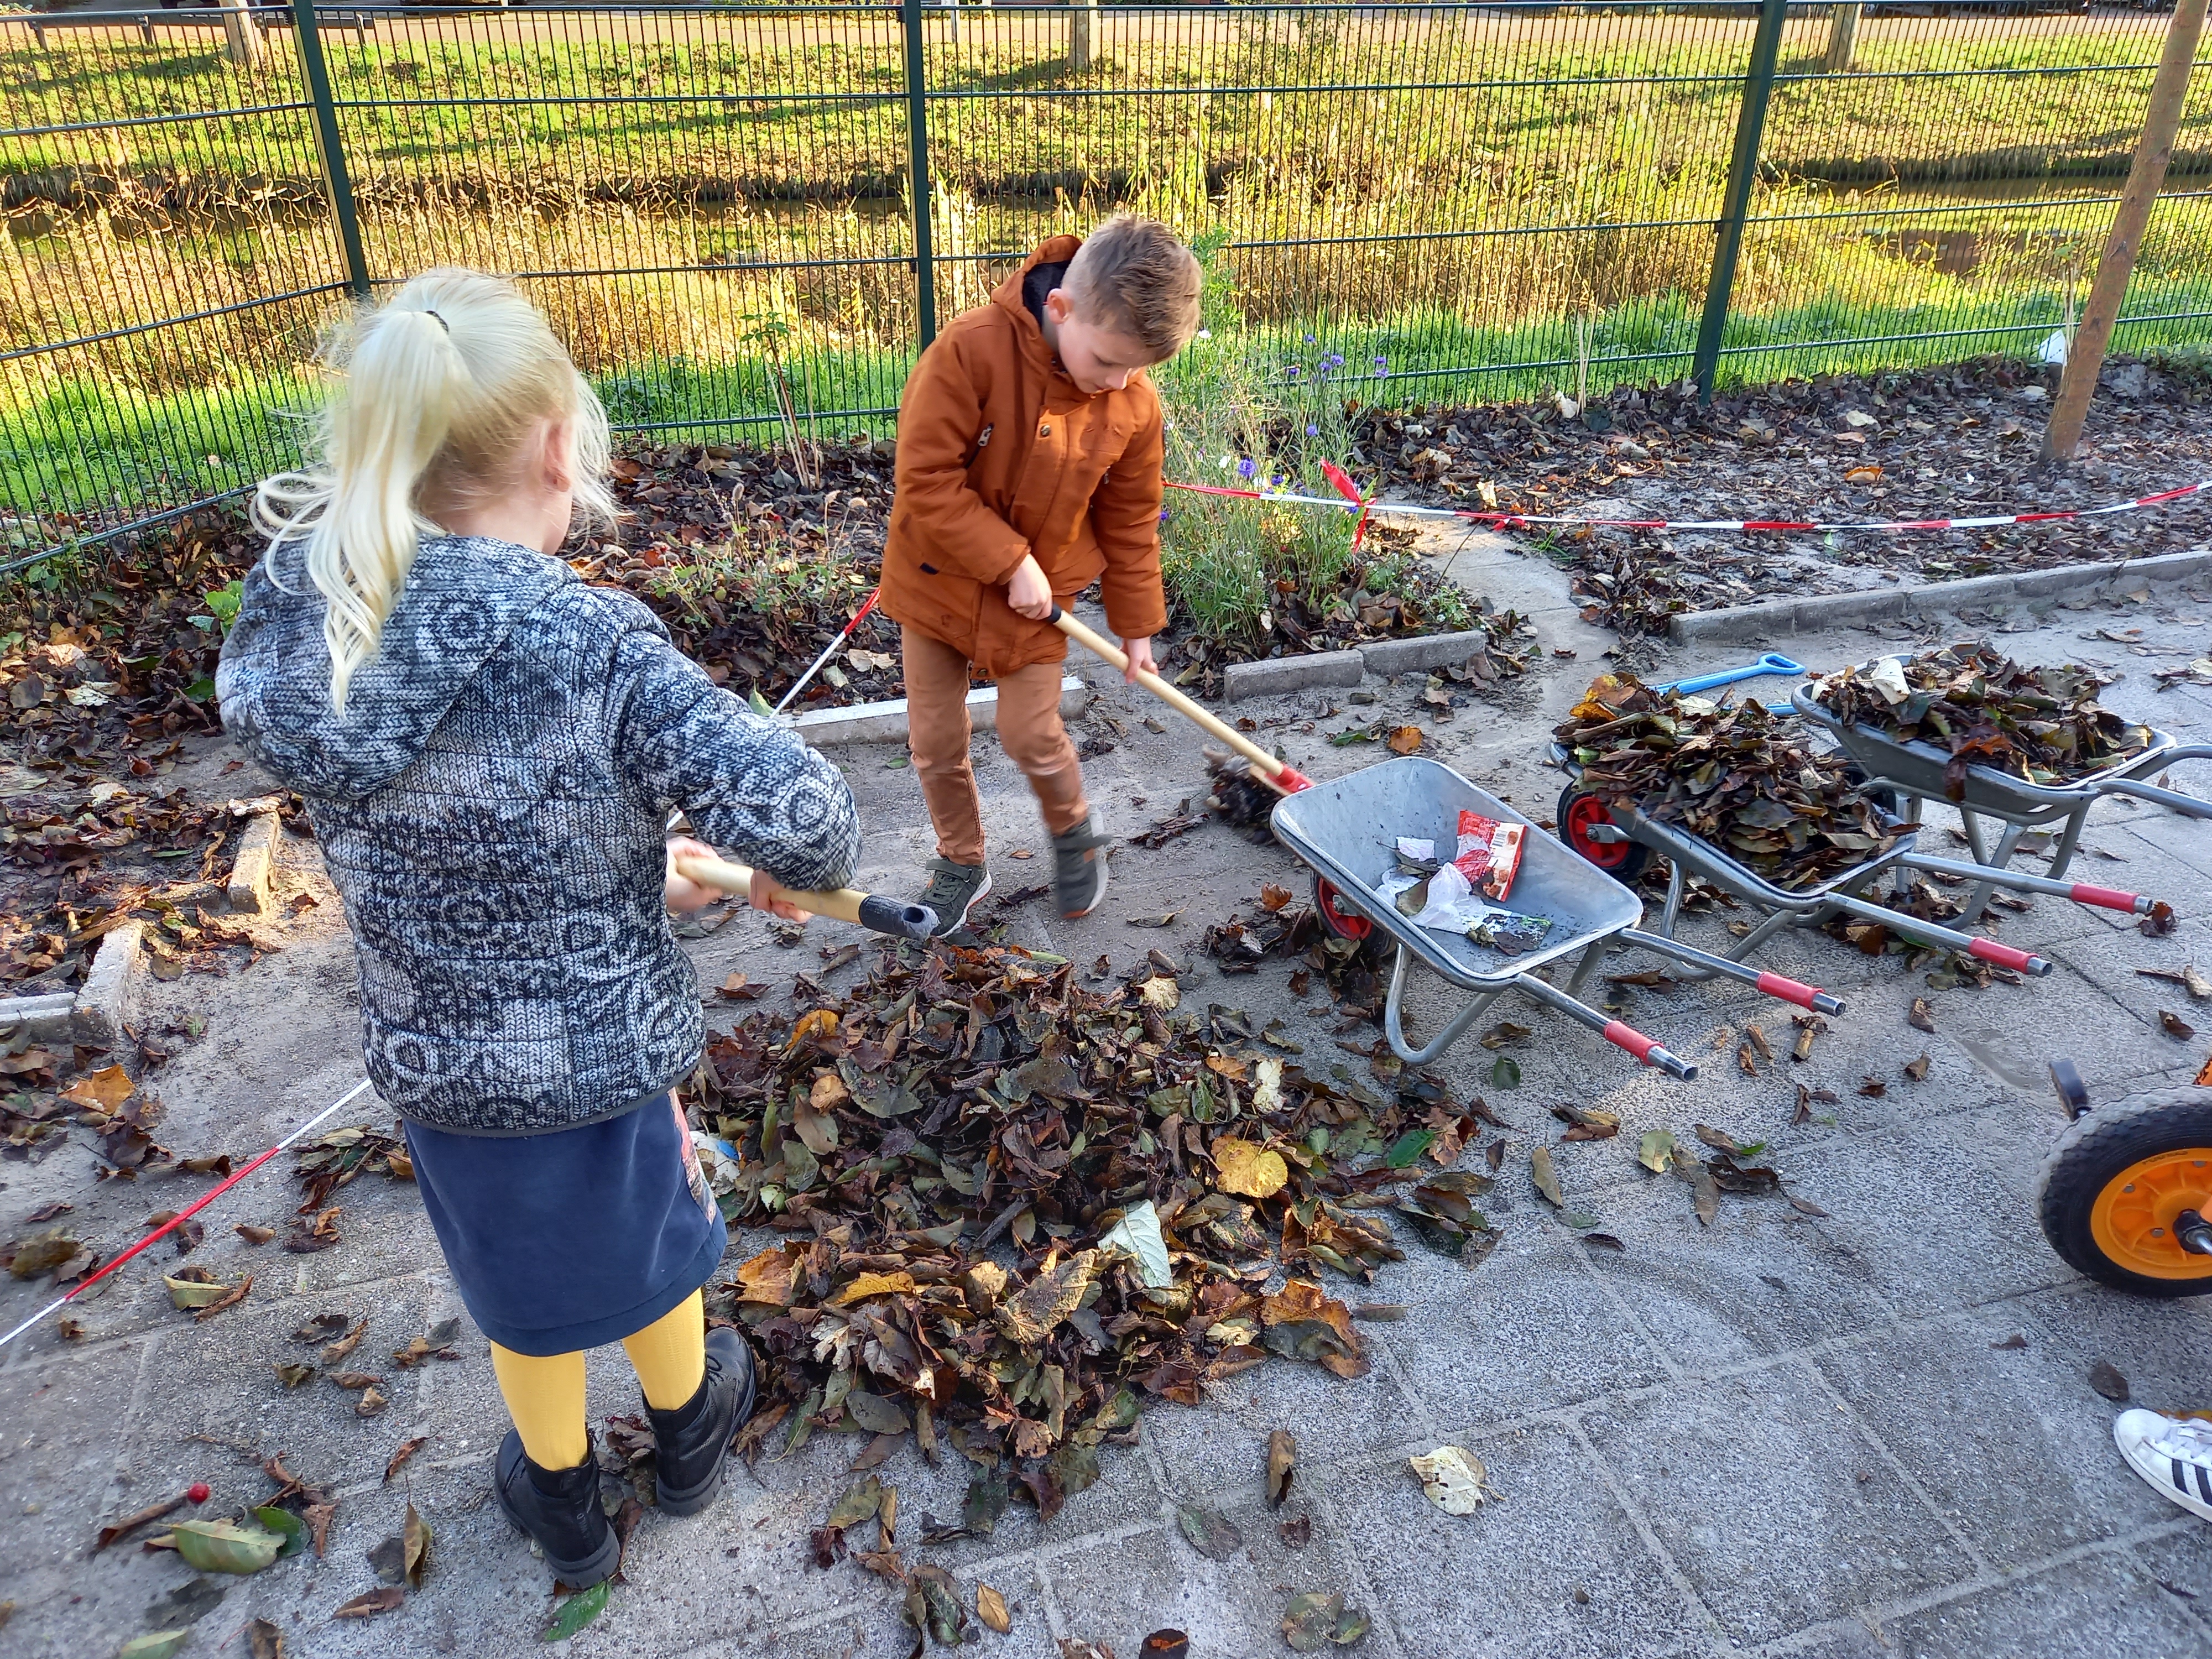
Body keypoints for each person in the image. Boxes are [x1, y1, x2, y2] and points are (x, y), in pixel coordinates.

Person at [216, 268, 860, 1588]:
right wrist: (734, 852)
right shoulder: (591, 642)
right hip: (603, 1057)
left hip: (443, 1069)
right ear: (561, 446)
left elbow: (472, 846)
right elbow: (814, 825)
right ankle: (688, 1438)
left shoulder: (315, 628)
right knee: (656, 1249)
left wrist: (646, 875)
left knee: (519, 1287)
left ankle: (561, 1501)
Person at [882, 215, 1203, 933]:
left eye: (1135, 370)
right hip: (935, 581)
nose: (1118, 381)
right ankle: (961, 860)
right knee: (935, 741)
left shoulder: (1132, 404)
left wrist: (1137, 626)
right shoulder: (968, 352)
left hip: (1038, 600)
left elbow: (1130, 521)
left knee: (1031, 733)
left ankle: (1074, 831)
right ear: (1060, 309)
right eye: (1108, 361)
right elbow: (926, 478)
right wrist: (1009, 559)